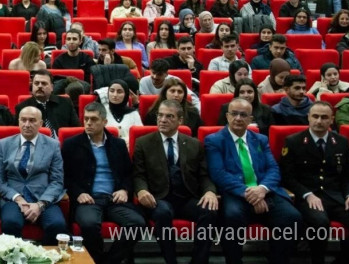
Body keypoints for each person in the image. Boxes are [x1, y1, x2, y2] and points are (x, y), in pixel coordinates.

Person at [205, 98, 302, 264]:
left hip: (266, 192)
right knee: (231, 217)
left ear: (250, 119)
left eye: (243, 115)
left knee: (292, 217)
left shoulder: (261, 140)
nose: (238, 118)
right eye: (234, 114)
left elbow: (273, 169)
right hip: (236, 194)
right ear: (227, 116)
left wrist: (262, 190)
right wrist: (249, 193)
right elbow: (218, 173)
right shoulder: (214, 140)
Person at [280, 102, 349, 264]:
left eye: (324, 117)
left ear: (331, 120)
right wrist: (307, 194)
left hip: (337, 198)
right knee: (320, 223)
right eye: (315, 116)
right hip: (308, 198)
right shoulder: (293, 141)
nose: (319, 121)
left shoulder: (341, 142)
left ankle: (343, 260)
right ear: (308, 118)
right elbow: (287, 177)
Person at [133, 99, 218, 264]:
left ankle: (198, 261)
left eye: (169, 116)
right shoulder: (143, 143)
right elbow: (138, 175)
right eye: (160, 115)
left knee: (209, 210)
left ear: (180, 120)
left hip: (187, 197)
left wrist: (210, 191)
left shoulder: (194, 144)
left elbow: (204, 175)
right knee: (163, 213)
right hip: (159, 198)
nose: (163, 120)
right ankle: (171, 261)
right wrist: (142, 190)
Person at [62, 102, 145, 264]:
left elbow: (129, 173)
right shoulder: (72, 145)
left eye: (93, 119)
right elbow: (65, 176)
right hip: (89, 199)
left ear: (104, 122)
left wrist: (124, 190)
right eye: (86, 119)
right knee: (89, 224)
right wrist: (78, 193)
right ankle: (97, 260)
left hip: (114, 200)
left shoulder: (118, 144)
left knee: (137, 224)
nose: (88, 123)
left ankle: (108, 261)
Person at [0, 106, 67, 244]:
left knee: (57, 225)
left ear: (40, 123)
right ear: (18, 121)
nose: (27, 125)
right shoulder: (4, 144)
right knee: (10, 222)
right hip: (13, 199)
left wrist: (40, 204)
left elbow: (57, 181)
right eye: (23, 120)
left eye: (32, 120)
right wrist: (18, 199)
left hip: (43, 197)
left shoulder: (53, 145)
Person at [15, 70, 79, 136]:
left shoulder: (65, 103)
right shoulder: (22, 107)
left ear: (52, 87)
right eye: (36, 83)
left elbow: (76, 130)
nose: (39, 86)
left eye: (44, 83)